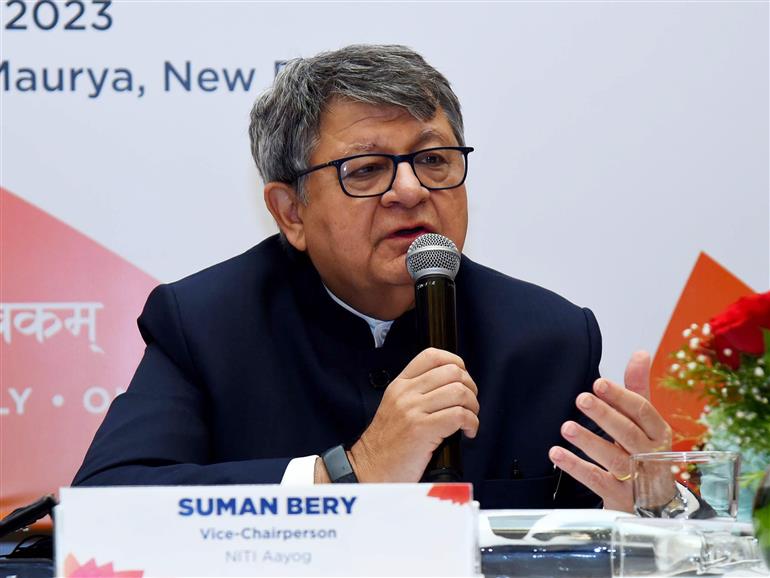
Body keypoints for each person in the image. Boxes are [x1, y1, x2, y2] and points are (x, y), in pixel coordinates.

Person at [73, 44, 672, 511]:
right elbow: (108, 501)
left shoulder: (549, 336)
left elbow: (601, 525)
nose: (410, 190)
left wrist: (655, 505)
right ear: (291, 212)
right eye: (366, 170)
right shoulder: (207, 324)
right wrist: (350, 472)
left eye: (434, 160)